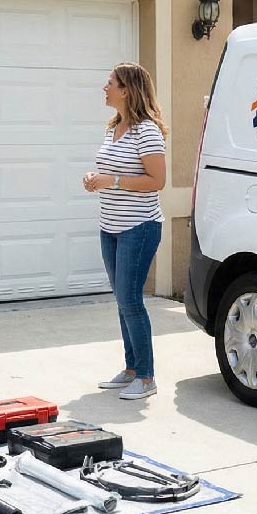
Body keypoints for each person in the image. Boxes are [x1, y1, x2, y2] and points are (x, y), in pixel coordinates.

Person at [83, 63, 167, 400]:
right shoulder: (114, 126)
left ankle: (146, 378)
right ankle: (131, 369)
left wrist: (111, 181)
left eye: (110, 83)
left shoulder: (147, 131)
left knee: (131, 301)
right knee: (122, 300)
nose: (105, 88)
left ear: (127, 90)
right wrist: (95, 179)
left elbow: (156, 181)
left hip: (139, 227)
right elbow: (112, 171)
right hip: (111, 226)